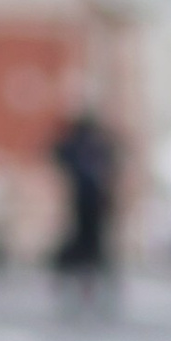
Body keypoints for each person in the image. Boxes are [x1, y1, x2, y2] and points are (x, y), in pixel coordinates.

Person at [48, 104, 119, 310]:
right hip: (85, 206)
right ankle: (82, 288)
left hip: (92, 206)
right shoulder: (85, 147)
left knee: (92, 249)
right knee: (86, 248)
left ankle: (91, 289)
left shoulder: (93, 147)